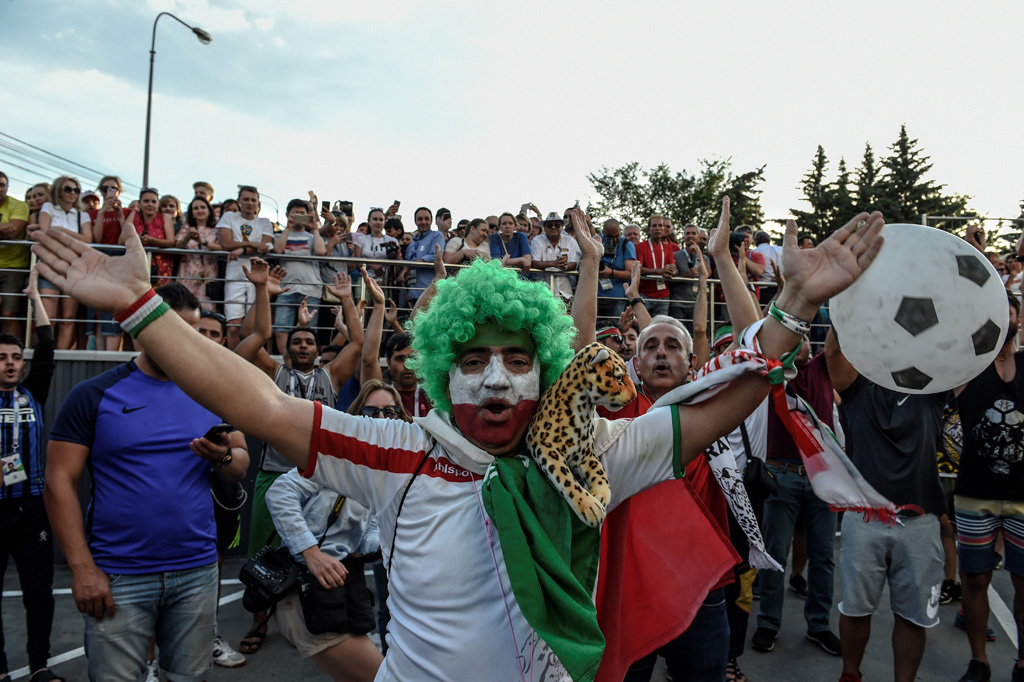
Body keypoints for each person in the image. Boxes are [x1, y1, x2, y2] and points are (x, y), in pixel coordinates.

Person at [30, 205, 886, 682]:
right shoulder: (398, 454)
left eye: (519, 360)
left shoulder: (590, 452)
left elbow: (716, 407)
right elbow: (259, 403)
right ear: (443, 375)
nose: (498, 381)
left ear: (545, 371)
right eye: (474, 361)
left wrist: (795, 307)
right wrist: (142, 308)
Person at [43, 283, 250, 682]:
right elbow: (58, 483)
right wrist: (82, 568)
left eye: (192, 331)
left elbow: (239, 464)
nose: (186, 342)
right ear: (144, 331)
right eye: (175, 330)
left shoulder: (212, 390)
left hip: (197, 570)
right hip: (119, 573)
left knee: (189, 678)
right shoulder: (92, 395)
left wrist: (222, 457)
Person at [233, 259, 362, 655]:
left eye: (309, 342)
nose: (303, 346)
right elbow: (249, 341)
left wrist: (346, 299)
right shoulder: (273, 374)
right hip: (275, 474)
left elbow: (356, 343)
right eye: (297, 342)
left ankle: (310, 618)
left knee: (319, 551)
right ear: (287, 350)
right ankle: (259, 621)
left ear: (318, 350)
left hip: (320, 478)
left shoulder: (330, 376)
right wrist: (263, 292)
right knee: (262, 553)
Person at [824, 328, 947, 682]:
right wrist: (851, 302)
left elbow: (961, 358)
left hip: (920, 520)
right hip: (865, 519)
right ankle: (850, 674)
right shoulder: (859, 387)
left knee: (912, 616)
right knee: (856, 608)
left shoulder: (931, 389)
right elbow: (833, 351)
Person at [950, 286, 1024, 682]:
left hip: (1022, 496)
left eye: (1010, 310)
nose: (1005, 317)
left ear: (1019, 319)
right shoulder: (967, 368)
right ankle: (978, 660)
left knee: (1023, 582)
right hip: (975, 492)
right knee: (974, 578)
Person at [752, 335, 842, 658]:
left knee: (823, 556)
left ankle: (819, 625)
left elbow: (835, 341)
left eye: (806, 335)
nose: (802, 340)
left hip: (821, 476)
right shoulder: (773, 370)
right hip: (784, 472)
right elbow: (770, 331)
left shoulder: (823, 367)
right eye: (796, 335)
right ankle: (768, 622)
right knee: (775, 553)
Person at [0, 271, 59, 682]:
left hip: (33, 505)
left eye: (15, 357)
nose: (10, 363)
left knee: (38, 592)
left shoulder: (33, 391)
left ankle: (40, 665)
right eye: (2, 358)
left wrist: (36, 295)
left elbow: (48, 344)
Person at [36, 176, 91, 349]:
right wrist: (70, 236)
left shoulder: (83, 214)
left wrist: (60, 230)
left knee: (67, 318)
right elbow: (45, 231)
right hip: (49, 265)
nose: (73, 193)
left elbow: (88, 238)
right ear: (59, 190)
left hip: (73, 267)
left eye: (76, 190)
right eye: (68, 189)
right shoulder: (49, 207)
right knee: (48, 318)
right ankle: (46, 354)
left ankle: (61, 356)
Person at [216, 186, 274, 348]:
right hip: (234, 276)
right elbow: (226, 243)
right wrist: (250, 243)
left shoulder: (264, 222)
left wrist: (241, 249)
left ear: (258, 203)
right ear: (239, 201)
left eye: (253, 200)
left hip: (257, 278)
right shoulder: (229, 217)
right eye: (246, 199)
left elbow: (267, 246)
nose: (250, 203)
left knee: (254, 327)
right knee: (233, 327)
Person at [273, 199, 327, 354]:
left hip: (310, 289)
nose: (298, 216)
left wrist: (315, 228)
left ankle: (305, 365)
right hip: (285, 289)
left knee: (308, 331)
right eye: (295, 213)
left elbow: (321, 252)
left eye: (302, 213)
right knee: (281, 328)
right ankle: (287, 361)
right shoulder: (280, 235)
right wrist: (288, 227)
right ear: (287, 214)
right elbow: (277, 250)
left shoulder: (311, 237)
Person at [175, 196, 224, 312]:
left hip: (208, 277)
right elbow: (177, 245)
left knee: (206, 311)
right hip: (187, 275)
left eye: (203, 207)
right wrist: (188, 237)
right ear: (191, 212)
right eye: (195, 208)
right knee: (184, 309)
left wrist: (203, 242)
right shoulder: (187, 227)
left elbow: (221, 247)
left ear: (208, 210)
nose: (199, 210)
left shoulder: (216, 229)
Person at [0, 172, 30, 336]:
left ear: (7, 187)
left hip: (13, 267)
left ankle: (15, 351)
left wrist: (7, 230)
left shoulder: (19, 205)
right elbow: (7, 229)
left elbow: (13, 232)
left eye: (2, 185)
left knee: (8, 315)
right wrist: (3, 227)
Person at [127, 188, 175, 287]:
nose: (150, 204)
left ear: (158, 204)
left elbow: (171, 242)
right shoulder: (134, 215)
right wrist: (138, 239)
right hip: (137, 265)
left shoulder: (165, 217)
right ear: (139, 203)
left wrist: (151, 240)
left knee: (160, 298)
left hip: (161, 268)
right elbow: (122, 238)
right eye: (146, 201)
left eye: (153, 201)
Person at [531, 211, 581, 300]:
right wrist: (554, 263)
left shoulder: (570, 241)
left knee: (565, 313)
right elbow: (535, 263)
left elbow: (574, 264)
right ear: (544, 228)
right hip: (542, 293)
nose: (553, 227)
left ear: (562, 227)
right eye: (549, 225)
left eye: (557, 225)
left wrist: (564, 266)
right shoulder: (537, 240)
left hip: (565, 292)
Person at [636, 214, 677, 317]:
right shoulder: (641, 246)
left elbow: (674, 267)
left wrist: (670, 272)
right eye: (654, 226)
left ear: (664, 229)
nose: (657, 228)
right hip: (645, 294)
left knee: (661, 326)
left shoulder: (668, 247)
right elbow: (638, 269)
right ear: (649, 229)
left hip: (664, 295)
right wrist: (660, 271)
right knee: (641, 325)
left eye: (660, 225)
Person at [597, 218, 637, 323]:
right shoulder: (596, 241)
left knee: (615, 332)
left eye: (617, 236)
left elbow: (631, 273)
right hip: (596, 297)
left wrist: (611, 272)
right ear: (603, 233)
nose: (614, 240)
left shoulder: (626, 245)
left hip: (617, 299)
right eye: (610, 237)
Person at [403, 206, 444, 306]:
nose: (423, 222)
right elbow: (407, 261)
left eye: (427, 219)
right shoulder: (412, 243)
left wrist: (410, 265)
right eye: (420, 219)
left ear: (431, 221)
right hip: (413, 291)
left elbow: (435, 256)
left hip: (429, 290)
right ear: (415, 221)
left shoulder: (436, 236)